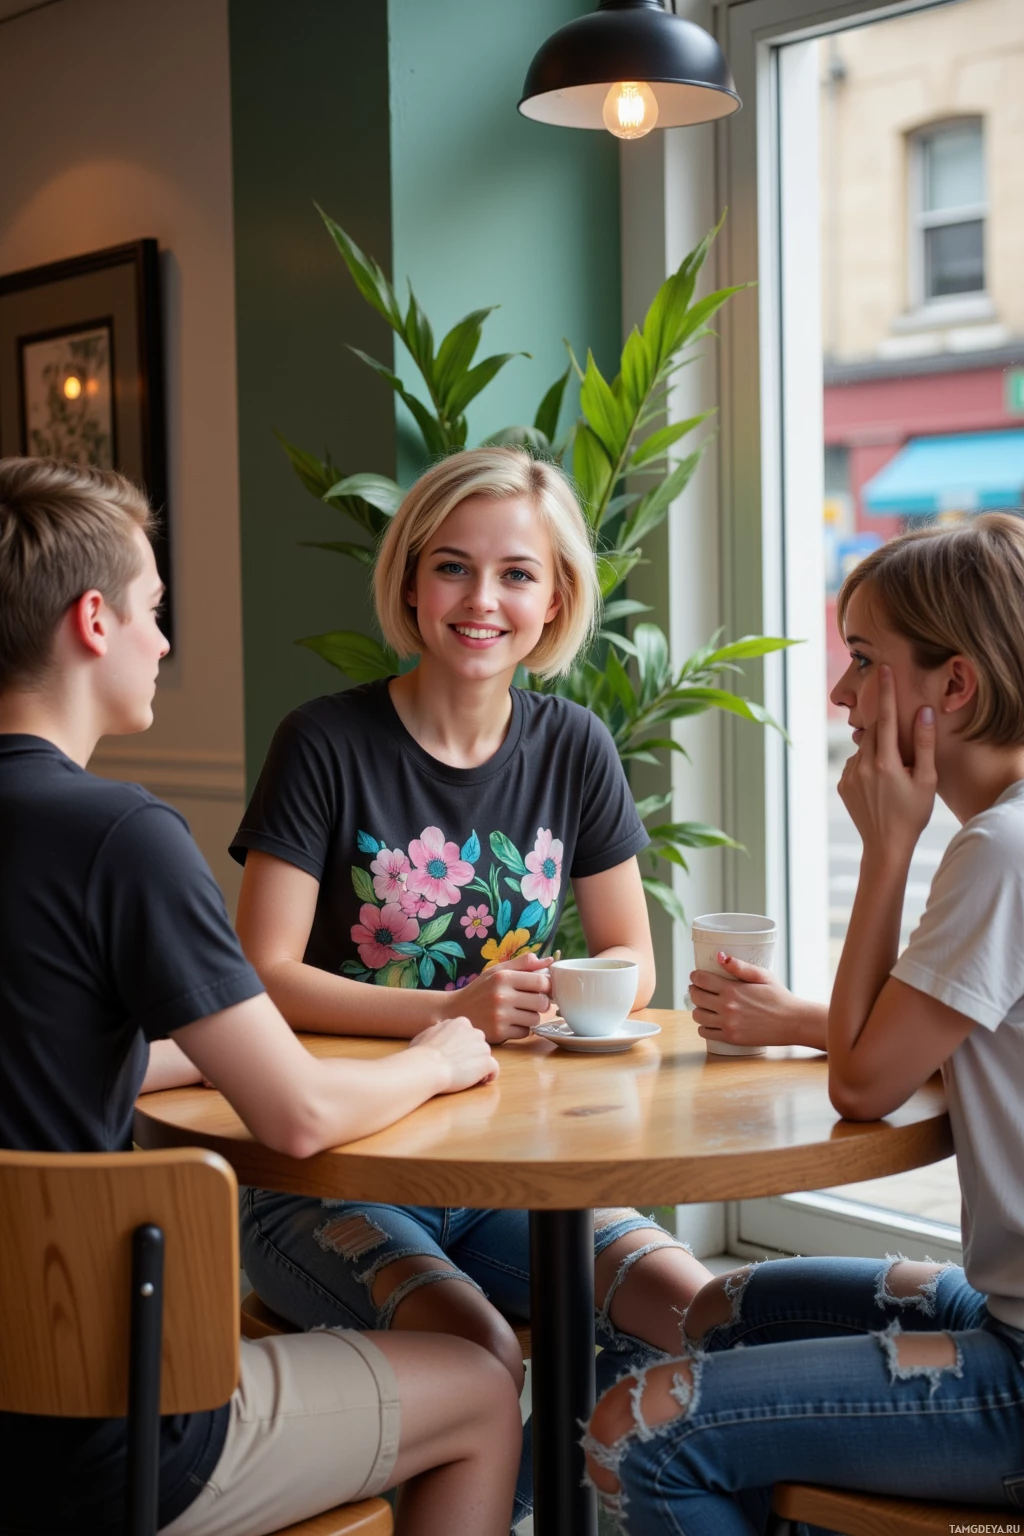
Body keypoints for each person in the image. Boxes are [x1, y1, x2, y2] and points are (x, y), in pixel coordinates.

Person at [0, 457, 522, 1536]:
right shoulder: (119, 840)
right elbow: (297, 1117)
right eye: (153, 609)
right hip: (99, 1438)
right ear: (92, 622)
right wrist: (438, 1051)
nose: (164, 638)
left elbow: (44, 1052)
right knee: (478, 1384)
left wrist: (188, 1055)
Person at [229, 446, 714, 1528]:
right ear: (409, 583)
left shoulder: (575, 745)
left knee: (693, 1313)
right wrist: (446, 1016)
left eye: (516, 574)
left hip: (518, 1170)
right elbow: (258, 973)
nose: (481, 600)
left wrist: (575, 996)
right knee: (477, 1350)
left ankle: (535, 1509)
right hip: (333, 1174)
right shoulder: (324, 742)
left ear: (554, 600)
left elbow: (631, 953)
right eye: (452, 568)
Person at [584, 513, 1024, 1532]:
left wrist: (885, 849)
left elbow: (865, 1085)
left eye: (863, 662)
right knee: (730, 1308)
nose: (838, 695)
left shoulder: (997, 854)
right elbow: (942, 1042)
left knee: (638, 1428)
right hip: (1001, 1309)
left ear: (951, 687)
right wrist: (801, 1018)